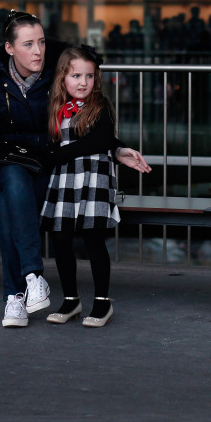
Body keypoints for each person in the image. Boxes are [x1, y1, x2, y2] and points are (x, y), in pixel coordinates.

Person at [0, 11, 149, 328]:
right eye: (28, 44)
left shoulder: (58, 72)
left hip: (48, 163)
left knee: (10, 205)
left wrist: (116, 149)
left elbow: (90, 124)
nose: (38, 51)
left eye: (42, 42)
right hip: (10, 161)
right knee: (13, 186)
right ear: (9, 48)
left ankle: (16, 296)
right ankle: (32, 276)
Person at [42, 45, 150, 327]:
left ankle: (102, 302)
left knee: (93, 238)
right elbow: (53, 144)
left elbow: (100, 141)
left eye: (89, 76)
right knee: (61, 238)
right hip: (66, 179)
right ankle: (70, 299)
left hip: (94, 178)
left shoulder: (99, 105)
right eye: (76, 76)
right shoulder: (56, 107)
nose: (83, 82)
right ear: (62, 78)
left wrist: (57, 155)